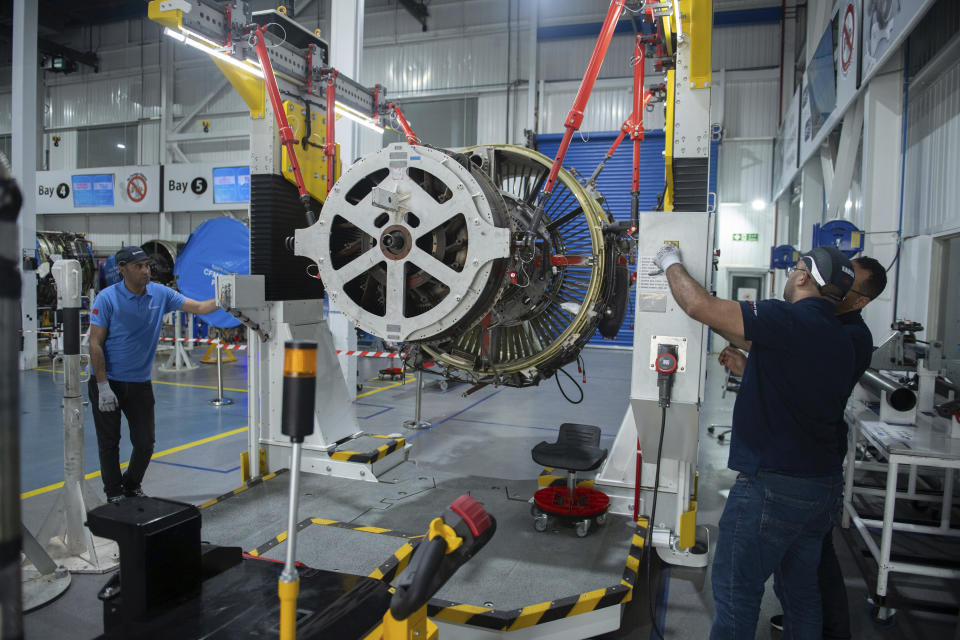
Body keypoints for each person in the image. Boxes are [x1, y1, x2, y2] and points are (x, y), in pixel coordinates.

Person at [650, 243, 856, 640]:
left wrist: (670, 262)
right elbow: (791, 377)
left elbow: (699, 307)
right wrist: (747, 363)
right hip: (820, 489)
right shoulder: (838, 337)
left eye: (794, 269)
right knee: (801, 595)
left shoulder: (789, 318)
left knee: (736, 595)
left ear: (801, 277)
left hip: (773, 488)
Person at [719, 256, 888, 639]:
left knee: (777, 581)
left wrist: (709, 309)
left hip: (797, 469)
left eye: (846, 287)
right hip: (811, 468)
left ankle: (833, 632)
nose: (835, 289)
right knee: (800, 581)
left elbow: (806, 372)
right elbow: (795, 370)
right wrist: (751, 366)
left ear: (859, 300)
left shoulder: (849, 335)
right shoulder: (828, 325)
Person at [88, 246, 218, 502]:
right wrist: (102, 386)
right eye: (139, 266)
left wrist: (228, 295)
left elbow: (201, 308)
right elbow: (95, 343)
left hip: (139, 383)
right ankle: (114, 493)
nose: (146, 270)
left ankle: (131, 485)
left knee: (145, 442)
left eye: (147, 265)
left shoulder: (160, 294)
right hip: (108, 381)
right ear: (122, 269)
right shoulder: (106, 298)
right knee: (109, 441)